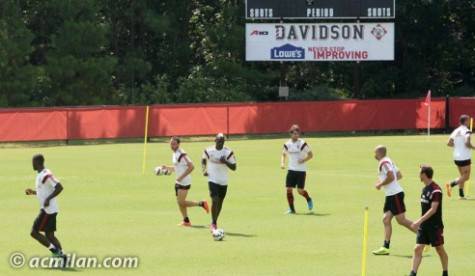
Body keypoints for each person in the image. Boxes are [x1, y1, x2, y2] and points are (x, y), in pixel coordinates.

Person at [372, 145, 415, 255]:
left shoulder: (383, 163)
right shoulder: (389, 160)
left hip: (395, 195)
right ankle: (385, 247)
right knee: (386, 219)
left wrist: (380, 184)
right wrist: (386, 182)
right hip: (391, 195)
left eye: (375, 153)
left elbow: (391, 177)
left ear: (379, 153)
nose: (374, 155)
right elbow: (399, 175)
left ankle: (425, 237)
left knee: (401, 221)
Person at [25, 154, 67, 263]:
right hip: (51, 209)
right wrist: (33, 192)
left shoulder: (46, 175)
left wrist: (48, 199)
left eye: (33, 162)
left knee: (34, 232)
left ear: (38, 162)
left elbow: (59, 187)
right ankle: (63, 257)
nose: (32, 164)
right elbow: (43, 191)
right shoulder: (40, 174)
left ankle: (55, 252)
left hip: (47, 211)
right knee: (50, 235)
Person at [160, 137, 209, 226]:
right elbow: (177, 167)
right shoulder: (175, 153)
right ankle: (186, 221)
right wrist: (166, 167)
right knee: (179, 202)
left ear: (178, 144)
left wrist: (181, 177)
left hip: (184, 181)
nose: (172, 145)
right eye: (171, 143)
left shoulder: (182, 154)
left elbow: (191, 167)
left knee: (181, 202)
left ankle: (201, 204)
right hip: (178, 181)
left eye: (174, 144)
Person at [409, 165, 448, 276]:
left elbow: (433, 209)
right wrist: (421, 222)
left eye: (420, 173)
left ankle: (445, 272)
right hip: (424, 226)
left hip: (434, 226)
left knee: (439, 249)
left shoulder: (436, 190)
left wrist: (418, 221)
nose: (418, 175)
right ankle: (412, 273)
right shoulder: (425, 188)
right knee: (417, 249)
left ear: (424, 175)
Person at [201, 133, 237, 232]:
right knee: (215, 200)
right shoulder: (209, 150)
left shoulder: (228, 152)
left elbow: (234, 167)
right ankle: (213, 223)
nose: (220, 143)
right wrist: (204, 169)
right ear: (215, 140)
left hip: (223, 181)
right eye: (219, 140)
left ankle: (214, 221)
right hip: (212, 179)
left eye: (222, 141)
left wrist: (225, 161)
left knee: (220, 202)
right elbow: (204, 159)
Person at [280, 124, 314, 214]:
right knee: (289, 189)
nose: (296, 135)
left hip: (301, 171)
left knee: (300, 191)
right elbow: (283, 154)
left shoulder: (302, 143)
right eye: (294, 133)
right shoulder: (287, 144)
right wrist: (282, 163)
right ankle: (292, 210)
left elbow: (311, 155)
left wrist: (303, 160)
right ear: (290, 134)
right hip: (291, 170)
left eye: (297, 133)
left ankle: (308, 199)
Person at [446, 114, 474, 199]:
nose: (469, 122)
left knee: (462, 176)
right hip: (464, 157)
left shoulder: (456, 130)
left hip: (456, 157)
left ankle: (461, 195)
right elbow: (467, 143)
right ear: (465, 121)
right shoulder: (467, 131)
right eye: (468, 120)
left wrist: (458, 146)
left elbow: (449, 143)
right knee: (466, 177)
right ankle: (450, 184)